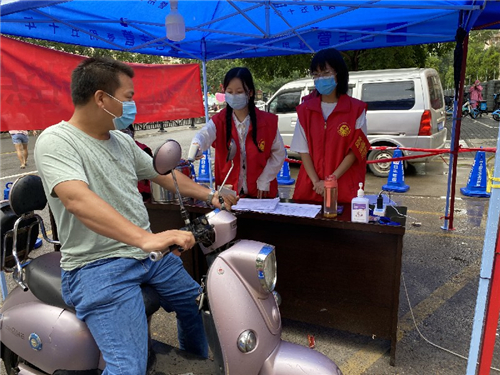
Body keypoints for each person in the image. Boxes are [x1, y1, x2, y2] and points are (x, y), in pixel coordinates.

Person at [34, 56, 236, 375]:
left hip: (148, 256)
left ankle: (192, 366)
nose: (133, 103)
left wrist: (210, 195)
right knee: (128, 366)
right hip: (96, 265)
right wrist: (147, 238)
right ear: (102, 98)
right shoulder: (56, 141)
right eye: (128, 96)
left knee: (195, 304)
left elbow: (163, 175)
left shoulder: (121, 141)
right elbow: (77, 199)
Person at [190, 67, 285, 198]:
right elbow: (204, 135)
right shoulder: (219, 121)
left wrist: (264, 179)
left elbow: (279, 154)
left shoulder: (267, 122)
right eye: (229, 91)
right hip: (228, 192)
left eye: (239, 92)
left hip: (261, 192)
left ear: (250, 92)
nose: (234, 96)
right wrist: (197, 145)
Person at [290, 47, 369, 204]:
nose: (321, 79)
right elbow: (303, 150)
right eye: (316, 75)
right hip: (310, 186)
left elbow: (355, 151)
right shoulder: (305, 110)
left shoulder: (356, 110)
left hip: (343, 185)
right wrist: (316, 182)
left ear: (339, 74)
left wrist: (331, 180)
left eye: (326, 73)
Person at [121, 124, 153, 201]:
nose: (123, 136)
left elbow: (152, 174)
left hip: (142, 194)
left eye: (125, 132)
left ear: (133, 132)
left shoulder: (142, 149)